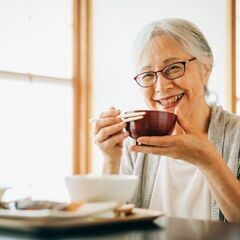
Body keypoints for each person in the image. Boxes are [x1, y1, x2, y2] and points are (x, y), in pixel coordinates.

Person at [92, 18, 240, 222]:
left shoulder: (237, 134)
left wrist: (209, 162)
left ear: (206, 69)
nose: (161, 87)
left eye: (173, 68)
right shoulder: (134, 142)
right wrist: (111, 159)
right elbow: (107, 224)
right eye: (148, 75)